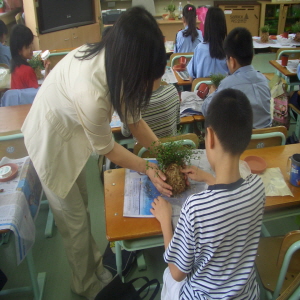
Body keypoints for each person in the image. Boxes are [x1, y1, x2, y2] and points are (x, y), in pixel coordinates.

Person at [21, 7, 172, 300]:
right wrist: (149, 167)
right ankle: (83, 284)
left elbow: (135, 122)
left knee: (82, 211)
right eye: (146, 83)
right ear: (133, 66)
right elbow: (107, 149)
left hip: (73, 134)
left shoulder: (118, 64)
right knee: (74, 222)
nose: (146, 90)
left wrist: (164, 153)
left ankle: (92, 268)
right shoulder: (91, 90)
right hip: (50, 141)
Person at [151, 88, 265, 300]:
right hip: (247, 295)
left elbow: (177, 272)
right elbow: (231, 200)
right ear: (247, 137)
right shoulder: (258, 187)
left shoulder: (196, 207)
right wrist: (209, 178)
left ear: (209, 137)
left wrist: (165, 221)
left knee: (167, 276)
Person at [202, 27, 272, 128]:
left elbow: (206, 110)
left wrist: (212, 93)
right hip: (268, 141)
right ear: (252, 56)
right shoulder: (264, 80)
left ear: (232, 61)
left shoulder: (228, 84)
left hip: (240, 143)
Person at [187, 7, 228, 79]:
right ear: (223, 26)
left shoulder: (200, 48)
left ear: (207, 26)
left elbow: (191, 76)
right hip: (225, 89)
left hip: (202, 89)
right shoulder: (229, 49)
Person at [10, 24, 50, 89]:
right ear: (19, 50)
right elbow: (38, 95)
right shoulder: (27, 71)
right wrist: (47, 72)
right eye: (28, 47)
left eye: (32, 43)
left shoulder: (15, 67)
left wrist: (47, 70)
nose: (32, 48)